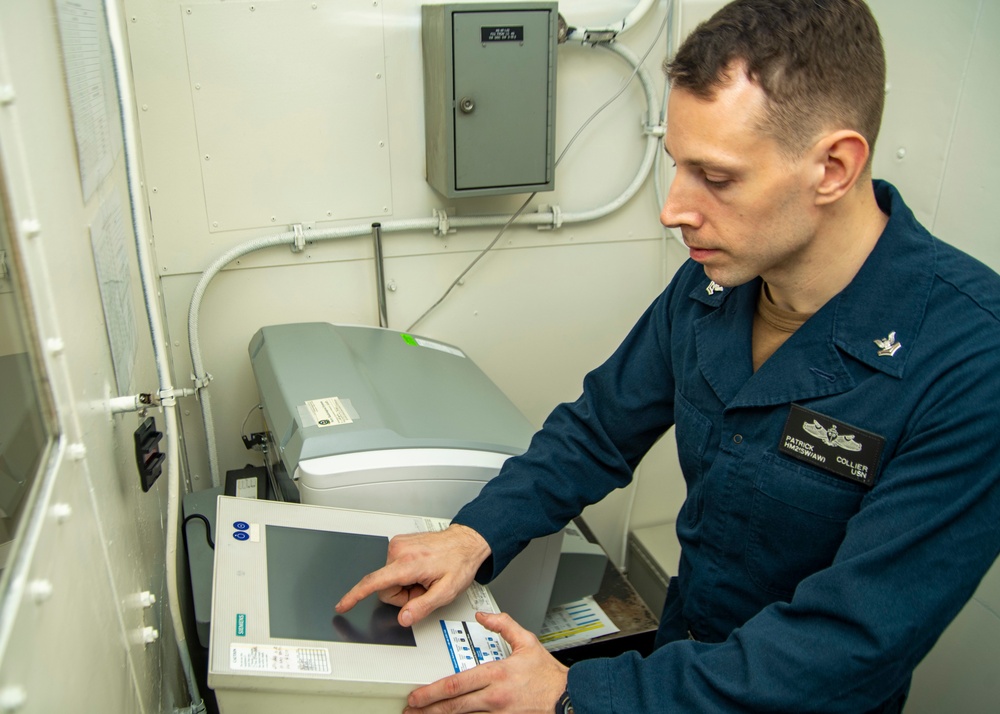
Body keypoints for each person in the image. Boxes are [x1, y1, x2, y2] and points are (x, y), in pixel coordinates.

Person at [337, 0, 1000, 711]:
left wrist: (577, 696)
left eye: (715, 178)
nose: (673, 208)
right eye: (677, 166)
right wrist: (476, 533)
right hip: (683, 654)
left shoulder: (968, 359)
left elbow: (849, 643)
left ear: (833, 167)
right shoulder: (715, 283)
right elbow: (598, 430)